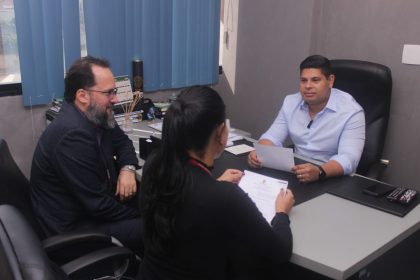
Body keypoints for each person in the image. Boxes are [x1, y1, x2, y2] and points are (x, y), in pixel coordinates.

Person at [138, 86, 295, 280]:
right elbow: (280, 251)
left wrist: (214, 184)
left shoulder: (154, 164)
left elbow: (188, 195)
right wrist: (281, 213)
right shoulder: (224, 196)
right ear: (220, 132)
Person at [30, 56, 143, 254]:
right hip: (77, 230)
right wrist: (143, 215)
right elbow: (99, 206)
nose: (115, 99)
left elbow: (123, 143)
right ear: (82, 96)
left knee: (154, 199)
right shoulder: (71, 136)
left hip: (92, 208)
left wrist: (127, 168)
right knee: (159, 227)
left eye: (114, 91)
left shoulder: (97, 115)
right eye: (109, 93)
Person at [248, 55, 365, 183]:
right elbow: (273, 137)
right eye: (304, 80)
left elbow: (349, 159)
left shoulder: (352, 111)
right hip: (297, 172)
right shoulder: (291, 102)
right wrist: (259, 152)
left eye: (315, 80)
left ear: (330, 81)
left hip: (330, 176)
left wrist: (319, 171)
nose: (308, 86)